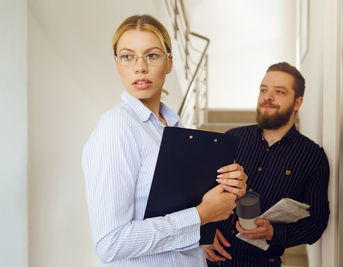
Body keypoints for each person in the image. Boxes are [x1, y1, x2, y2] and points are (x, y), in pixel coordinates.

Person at [81, 14, 247, 267]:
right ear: (117, 65)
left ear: (169, 63)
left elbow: (181, 213)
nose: (140, 67)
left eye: (152, 55)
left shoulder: (175, 129)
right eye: (128, 56)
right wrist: (200, 216)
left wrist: (229, 188)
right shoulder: (117, 127)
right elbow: (110, 243)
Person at [204, 62, 330, 267]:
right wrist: (204, 233)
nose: (267, 97)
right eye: (263, 90)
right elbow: (200, 193)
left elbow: (316, 224)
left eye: (279, 91)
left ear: (297, 102)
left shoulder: (313, 156)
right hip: (211, 260)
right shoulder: (232, 138)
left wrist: (274, 232)